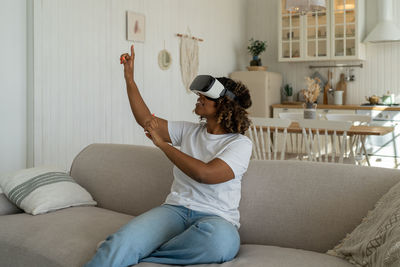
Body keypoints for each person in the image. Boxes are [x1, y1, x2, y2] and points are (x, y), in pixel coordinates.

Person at [84, 45, 253, 267]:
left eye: (205, 95)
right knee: (122, 241)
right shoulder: (189, 131)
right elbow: (146, 118)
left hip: (216, 219)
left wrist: (163, 145)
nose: (198, 97)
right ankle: (125, 248)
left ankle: (142, 254)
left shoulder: (240, 144)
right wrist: (130, 78)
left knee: (223, 243)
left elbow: (206, 174)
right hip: (175, 210)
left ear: (224, 104)